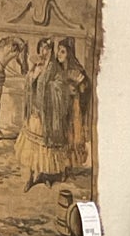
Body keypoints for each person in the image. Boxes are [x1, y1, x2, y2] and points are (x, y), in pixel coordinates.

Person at [14, 37, 65, 190]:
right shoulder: (37, 66)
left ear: (51, 51)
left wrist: (51, 87)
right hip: (35, 111)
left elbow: (61, 86)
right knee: (31, 146)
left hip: (47, 114)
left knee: (44, 147)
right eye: (42, 48)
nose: (45, 52)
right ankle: (30, 177)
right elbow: (28, 83)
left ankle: (44, 175)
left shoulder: (55, 68)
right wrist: (33, 75)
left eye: (47, 49)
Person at [55, 36, 91, 171]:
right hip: (59, 107)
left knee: (70, 136)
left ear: (69, 54)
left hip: (73, 108)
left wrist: (77, 88)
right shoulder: (56, 70)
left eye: (63, 51)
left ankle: (67, 166)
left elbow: (85, 89)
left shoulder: (77, 70)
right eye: (58, 50)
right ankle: (59, 166)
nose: (59, 53)